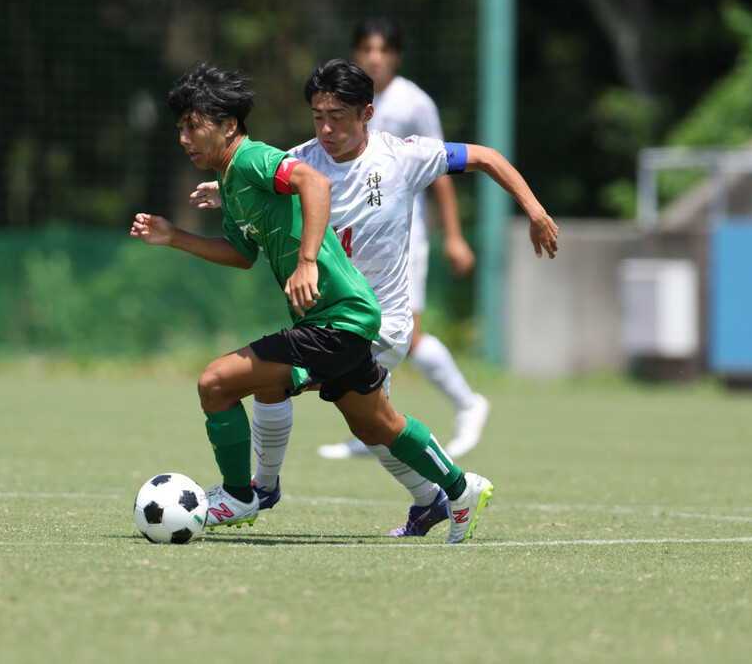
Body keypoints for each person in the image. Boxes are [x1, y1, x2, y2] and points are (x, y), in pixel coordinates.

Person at [131, 62, 499, 544]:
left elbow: (315, 183)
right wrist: (175, 236)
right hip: (344, 317)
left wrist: (307, 262)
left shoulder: (250, 160)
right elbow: (242, 256)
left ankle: (247, 494)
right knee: (377, 422)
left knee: (217, 383)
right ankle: (457, 488)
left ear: (228, 125)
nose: (184, 138)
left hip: (337, 317)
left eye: (193, 126)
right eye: (180, 127)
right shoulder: (233, 183)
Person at [318, 18, 490, 462]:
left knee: (403, 333)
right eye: (367, 49)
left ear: (396, 55)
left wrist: (452, 235)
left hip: (405, 240)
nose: (375, 57)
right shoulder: (344, 102)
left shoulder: (415, 102)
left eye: (383, 50)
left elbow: (443, 169)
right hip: (359, 241)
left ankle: (467, 404)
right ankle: (370, 421)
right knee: (362, 327)